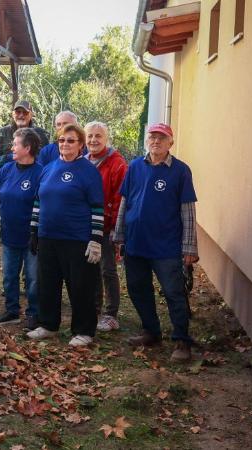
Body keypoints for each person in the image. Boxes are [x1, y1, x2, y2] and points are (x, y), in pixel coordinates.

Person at [113, 123, 198, 362]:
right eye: (152, 137)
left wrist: (190, 246)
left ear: (171, 142)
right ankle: (151, 331)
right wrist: (119, 234)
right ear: (146, 140)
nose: (156, 141)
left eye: (162, 138)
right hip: (136, 243)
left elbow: (188, 211)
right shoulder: (135, 167)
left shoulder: (181, 171)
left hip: (166, 246)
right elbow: (124, 202)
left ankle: (182, 340)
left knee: (174, 292)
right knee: (138, 289)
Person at [26, 124, 104, 346]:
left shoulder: (89, 171)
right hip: (48, 237)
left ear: (80, 144)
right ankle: (49, 325)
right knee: (47, 284)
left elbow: (97, 208)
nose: (65, 144)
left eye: (71, 140)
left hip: (77, 239)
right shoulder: (48, 168)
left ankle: (84, 330)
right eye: (62, 140)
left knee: (80, 286)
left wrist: (96, 240)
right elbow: (38, 201)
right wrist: (34, 231)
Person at [0, 128, 43, 329]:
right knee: (9, 275)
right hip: (9, 234)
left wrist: (37, 233)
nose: (12, 147)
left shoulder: (40, 173)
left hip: (31, 237)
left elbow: (43, 205)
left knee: (33, 278)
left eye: (15, 144)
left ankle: (33, 314)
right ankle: (12, 310)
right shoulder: (6, 170)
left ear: (27, 148)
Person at [84, 122, 127, 332]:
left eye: (98, 136)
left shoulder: (117, 164)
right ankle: (94, 308)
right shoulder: (83, 161)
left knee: (107, 270)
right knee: (91, 268)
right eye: (90, 136)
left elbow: (121, 199)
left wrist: (114, 229)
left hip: (107, 226)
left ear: (106, 138)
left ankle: (111, 314)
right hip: (85, 225)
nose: (93, 140)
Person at [0, 100, 49, 171]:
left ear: (31, 115)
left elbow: (47, 160)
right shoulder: (2, 133)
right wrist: (8, 158)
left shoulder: (42, 134)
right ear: (13, 114)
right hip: (7, 177)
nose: (21, 115)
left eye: (25, 112)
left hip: (33, 177)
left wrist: (26, 158)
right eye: (18, 112)